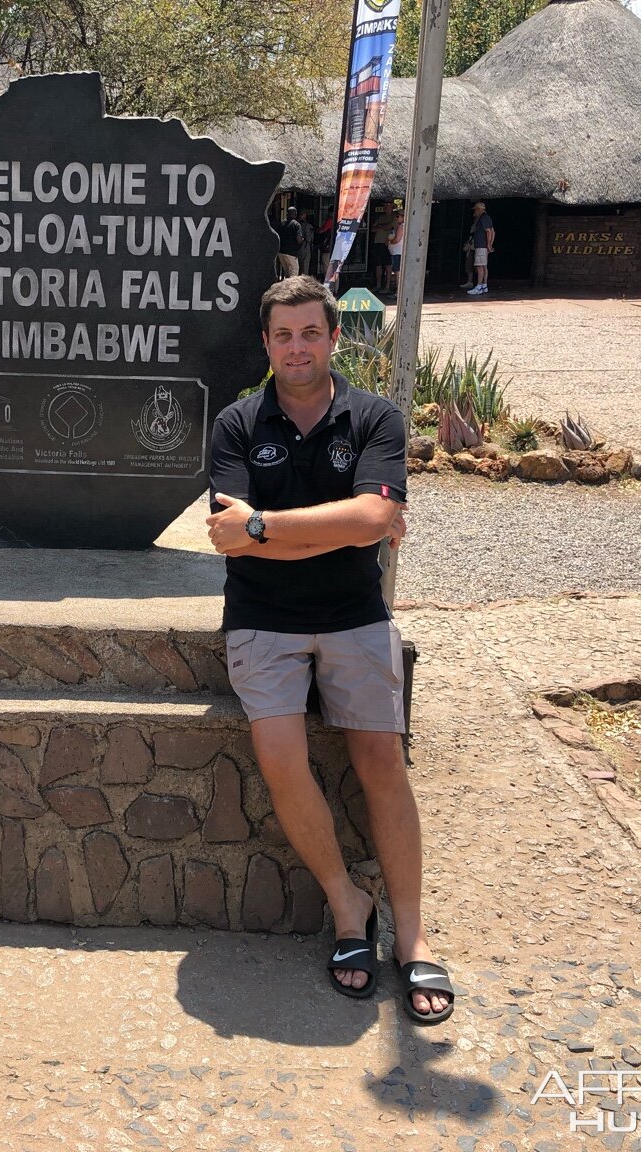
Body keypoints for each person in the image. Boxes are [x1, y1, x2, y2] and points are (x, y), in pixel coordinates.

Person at [204, 275, 453, 1025]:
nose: (297, 347)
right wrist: (343, 524)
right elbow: (232, 541)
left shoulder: (375, 417)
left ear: (334, 337)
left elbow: (375, 518)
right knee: (282, 758)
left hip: (354, 615)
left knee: (382, 760)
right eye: (283, 335)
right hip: (263, 621)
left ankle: (411, 936)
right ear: (266, 343)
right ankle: (350, 907)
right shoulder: (237, 424)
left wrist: (266, 526)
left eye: (310, 332)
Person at [467, 201, 494, 295]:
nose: (475, 212)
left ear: (479, 209)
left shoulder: (483, 218)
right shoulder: (487, 218)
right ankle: (484, 286)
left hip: (481, 246)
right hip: (483, 246)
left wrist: (489, 245)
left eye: (476, 210)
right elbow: (493, 231)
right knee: (483, 266)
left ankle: (479, 287)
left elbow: (489, 232)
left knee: (479, 266)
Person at [275, 207, 303, 279]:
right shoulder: (297, 225)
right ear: (295, 214)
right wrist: (302, 240)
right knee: (294, 275)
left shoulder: (282, 223)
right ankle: (291, 290)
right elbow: (298, 239)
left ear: (287, 213)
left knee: (287, 274)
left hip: (281, 252)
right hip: (291, 253)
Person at [386, 208, 405, 298]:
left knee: (398, 273)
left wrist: (390, 242)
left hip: (398, 252)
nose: (396, 218)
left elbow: (397, 240)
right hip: (400, 251)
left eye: (398, 216)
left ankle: (398, 293)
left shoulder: (402, 226)